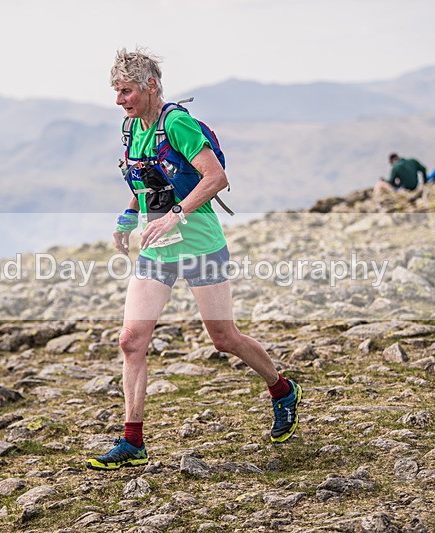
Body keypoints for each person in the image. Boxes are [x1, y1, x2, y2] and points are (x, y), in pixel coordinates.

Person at [87, 48, 302, 470]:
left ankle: (282, 389)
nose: (119, 100)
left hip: (200, 243)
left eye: (126, 90)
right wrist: (128, 217)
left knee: (223, 339)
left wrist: (176, 215)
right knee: (131, 340)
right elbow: (146, 180)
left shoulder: (177, 123)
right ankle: (133, 441)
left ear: (150, 86)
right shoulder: (131, 127)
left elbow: (216, 177)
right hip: (156, 249)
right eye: (115, 91)